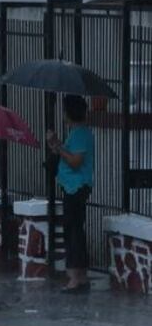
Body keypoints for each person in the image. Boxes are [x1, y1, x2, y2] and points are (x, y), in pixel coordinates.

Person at [46, 94, 94, 294]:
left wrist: (58, 147)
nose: (63, 114)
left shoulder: (81, 133)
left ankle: (74, 277)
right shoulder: (75, 133)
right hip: (72, 187)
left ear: (71, 112)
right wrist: (57, 145)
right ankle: (80, 275)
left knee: (72, 231)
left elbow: (75, 161)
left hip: (76, 188)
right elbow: (68, 156)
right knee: (75, 230)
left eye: (65, 110)